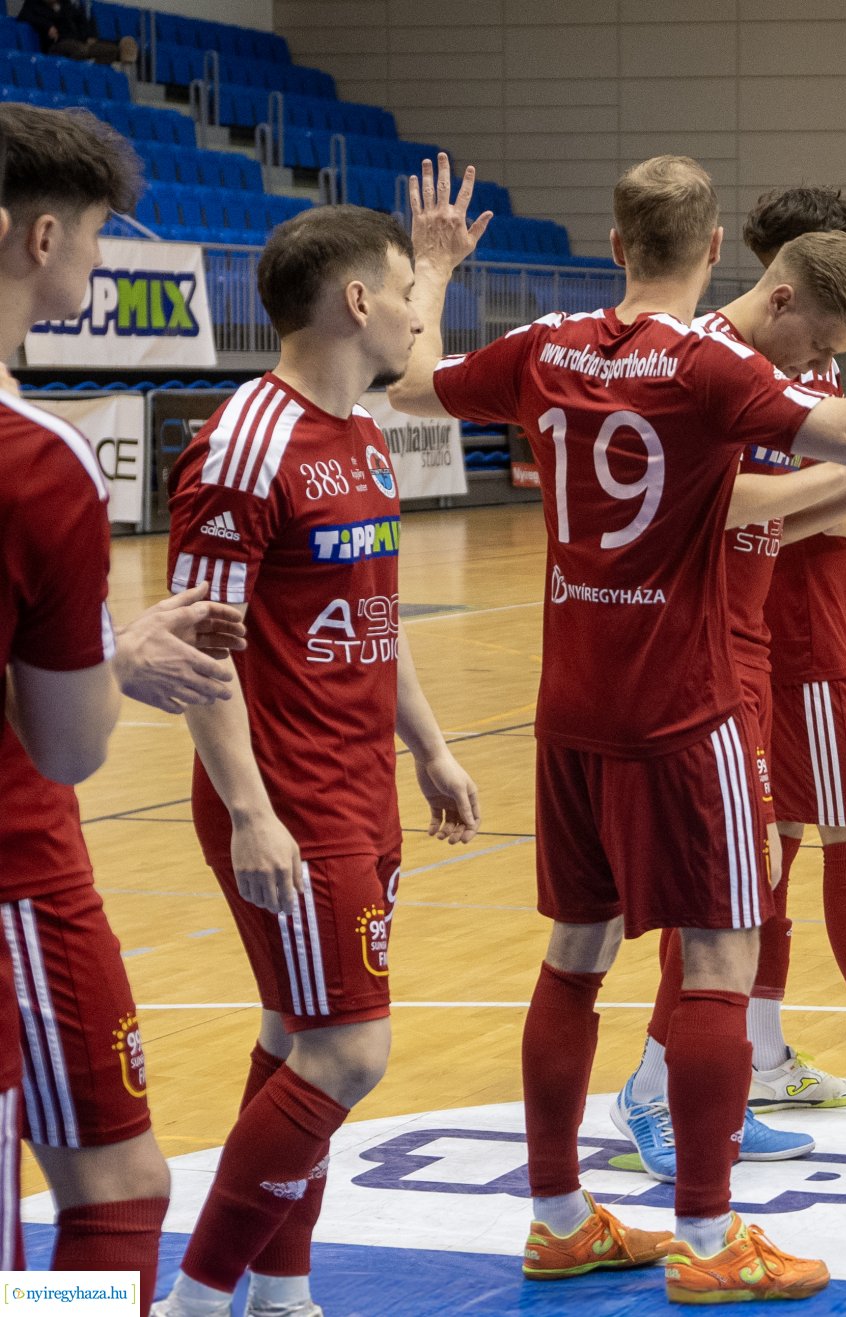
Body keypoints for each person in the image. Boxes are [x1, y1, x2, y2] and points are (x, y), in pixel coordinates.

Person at [390, 153, 846, 1304]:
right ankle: (713, 1242)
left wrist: (432, 264)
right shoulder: (706, 363)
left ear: (617, 244)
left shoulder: (548, 345)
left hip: (569, 705)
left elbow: (410, 381)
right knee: (721, 957)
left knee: (575, 957)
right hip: (685, 703)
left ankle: (558, 1219)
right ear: (718, 250)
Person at [151, 187, 483, 1317]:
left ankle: (281, 1294)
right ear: (355, 300)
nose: (417, 314)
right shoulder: (245, 445)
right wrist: (250, 812)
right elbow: (200, 649)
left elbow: (377, 618)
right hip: (289, 800)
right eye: (403, 292)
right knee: (349, 1054)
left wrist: (429, 748)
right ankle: (199, 1301)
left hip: (362, 787)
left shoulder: (365, 438)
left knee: (298, 1036)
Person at [615, 228, 846, 1169]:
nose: (828, 358)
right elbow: (726, 512)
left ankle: (748, 1063)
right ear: (786, 288)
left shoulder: (781, 369)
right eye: (826, 338)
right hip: (771, 652)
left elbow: (781, 511)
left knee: (750, 883)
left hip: (775, 646)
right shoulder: (714, 367)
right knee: (754, 879)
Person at [0, 103, 248, 1312]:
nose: (99, 261)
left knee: (124, 1178)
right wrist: (123, 656)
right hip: (14, 871)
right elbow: (69, 743)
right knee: (109, 1194)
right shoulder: (36, 460)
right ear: (42, 235)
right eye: (97, 234)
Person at [16, 0, 137, 65]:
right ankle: (83, 65)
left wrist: (89, 36)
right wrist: (47, 26)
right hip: (57, 44)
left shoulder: (66, 4)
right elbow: (23, 16)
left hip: (78, 40)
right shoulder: (33, 4)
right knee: (81, 49)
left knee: (111, 50)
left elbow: (81, 20)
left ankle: (113, 50)